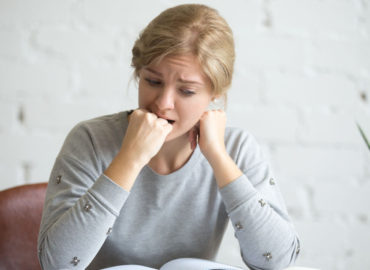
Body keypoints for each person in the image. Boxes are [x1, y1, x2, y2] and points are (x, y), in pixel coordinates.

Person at [37, 4, 300, 270]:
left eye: (186, 91)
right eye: (152, 81)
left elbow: (277, 261)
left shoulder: (237, 148)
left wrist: (219, 158)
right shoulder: (90, 140)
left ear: (216, 92)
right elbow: (57, 264)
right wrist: (129, 158)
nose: (163, 104)